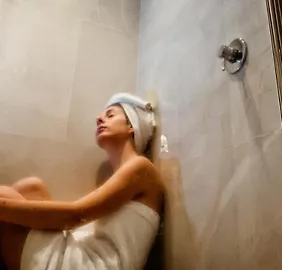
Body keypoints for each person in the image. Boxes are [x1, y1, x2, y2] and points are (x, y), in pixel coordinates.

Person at [0, 93, 164, 270]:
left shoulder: (140, 168)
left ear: (132, 126)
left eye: (110, 115)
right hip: (91, 255)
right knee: (32, 188)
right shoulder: (128, 175)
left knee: (5, 196)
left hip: (98, 265)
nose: (98, 119)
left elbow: (75, 215)